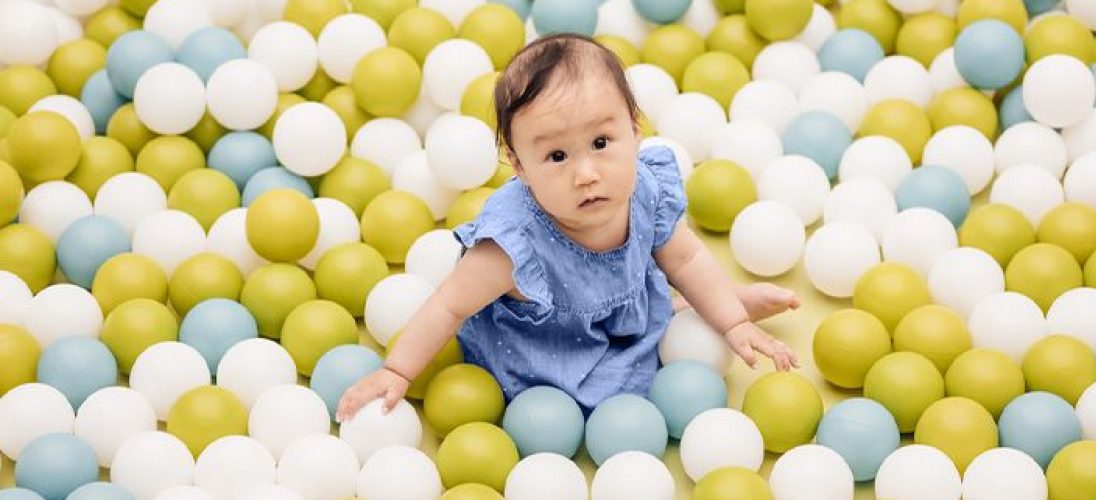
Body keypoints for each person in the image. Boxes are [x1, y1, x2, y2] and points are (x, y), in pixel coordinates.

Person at [336, 33, 799, 423]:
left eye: (601, 142)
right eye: (557, 156)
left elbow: (686, 259)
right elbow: (448, 307)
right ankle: (694, 312)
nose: (586, 174)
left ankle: (714, 307)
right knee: (603, 409)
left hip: (624, 306)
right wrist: (396, 372)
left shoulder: (644, 189)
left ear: (635, 131)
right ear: (519, 166)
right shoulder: (513, 245)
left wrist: (733, 324)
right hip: (551, 346)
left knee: (681, 292)